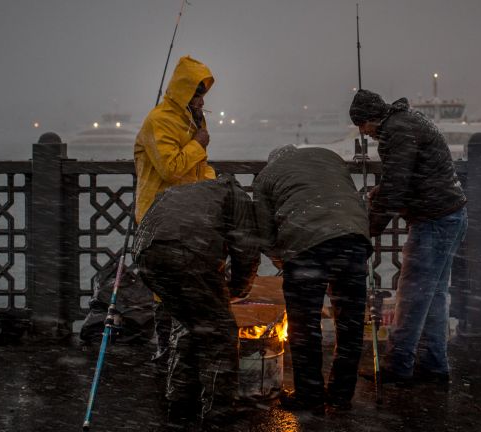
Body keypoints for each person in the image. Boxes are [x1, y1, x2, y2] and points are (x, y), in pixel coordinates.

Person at [349, 89, 468, 387]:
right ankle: (434, 366)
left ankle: (399, 366)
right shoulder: (406, 121)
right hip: (450, 214)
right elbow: (404, 177)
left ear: (369, 119)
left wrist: (370, 229)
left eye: (362, 127)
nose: (365, 134)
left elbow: (397, 185)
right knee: (434, 296)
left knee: (412, 295)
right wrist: (381, 194)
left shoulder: (396, 131)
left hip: (434, 219)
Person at [134, 174, 260, 429]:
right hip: (188, 253)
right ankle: (218, 413)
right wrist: (238, 289)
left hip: (146, 255)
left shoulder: (189, 192)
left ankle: (179, 402)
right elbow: (246, 248)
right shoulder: (237, 197)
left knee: (189, 325)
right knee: (220, 335)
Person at [252, 145, 371, 412]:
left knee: (305, 327)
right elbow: (349, 198)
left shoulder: (266, 176)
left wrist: (278, 257)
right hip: (352, 240)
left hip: (306, 247)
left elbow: (264, 231)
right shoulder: (330, 157)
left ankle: (310, 396)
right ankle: (341, 396)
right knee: (350, 325)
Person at [134, 55, 216, 362]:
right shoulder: (159, 121)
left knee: (186, 283)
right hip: (160, 217)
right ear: (182, 92)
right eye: (195, 94)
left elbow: (199, 169)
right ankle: (166, 351)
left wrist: (213, 186)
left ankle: (181, 350)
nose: (200, 100)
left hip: (187, 216)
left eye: (202, 94)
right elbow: (170, 168)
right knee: (165, 285)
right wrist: (198, 144)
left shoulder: (191, 121)